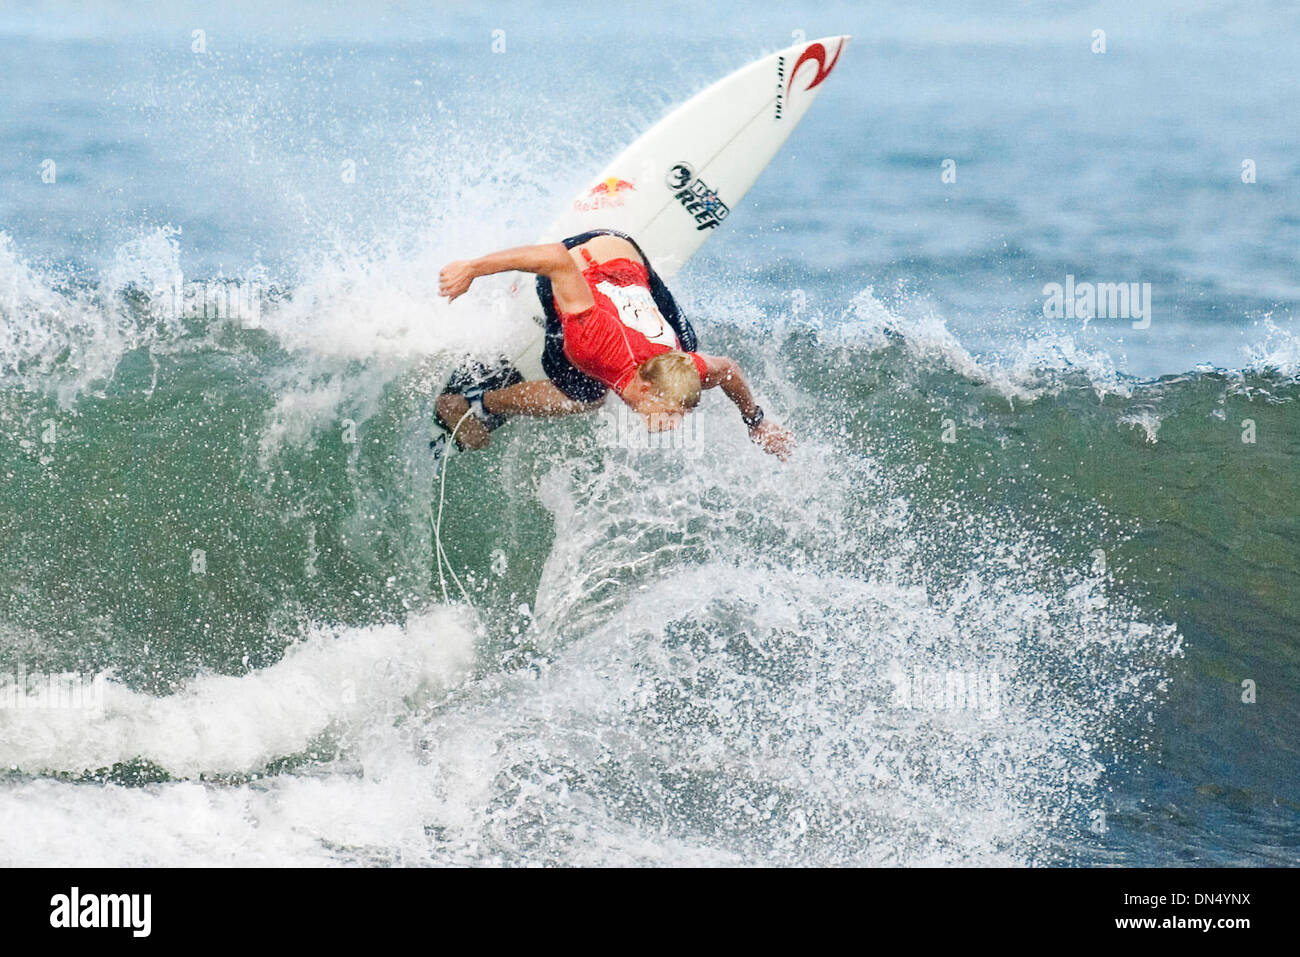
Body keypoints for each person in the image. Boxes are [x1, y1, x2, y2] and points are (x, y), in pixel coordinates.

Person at [436, 229, 793, 460]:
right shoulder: (595, 343)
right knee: (584, 395)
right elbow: (555, 259)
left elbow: (727, 369)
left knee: (689, 342)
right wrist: (472, 269)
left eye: (679, 415)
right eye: (670, 412)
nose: (673, 423)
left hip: (625, 254)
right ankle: (472, 404)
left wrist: (756, 422)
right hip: (579, 260)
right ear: (646, 386)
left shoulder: (685, 365)